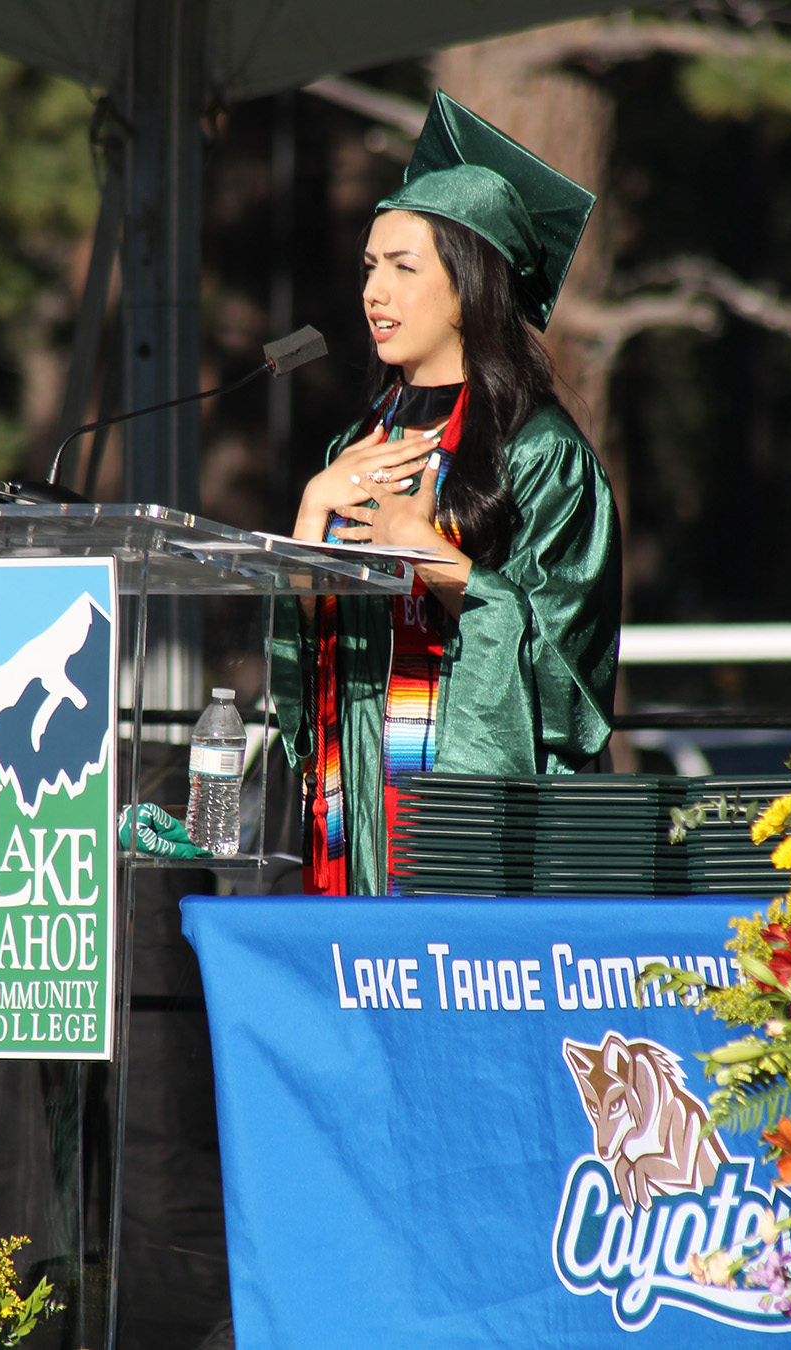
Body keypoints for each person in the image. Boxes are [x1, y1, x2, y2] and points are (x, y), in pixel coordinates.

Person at [274, 90, 622, 897]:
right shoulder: (354, 452)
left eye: (403, 268)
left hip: (473, 834)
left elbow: (571, 681)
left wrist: (439, 562)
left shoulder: (543, 456)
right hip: (353, 812)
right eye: (368, 269)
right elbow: (308, 662)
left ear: (470, 287)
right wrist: (308, 515)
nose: (374, 293)